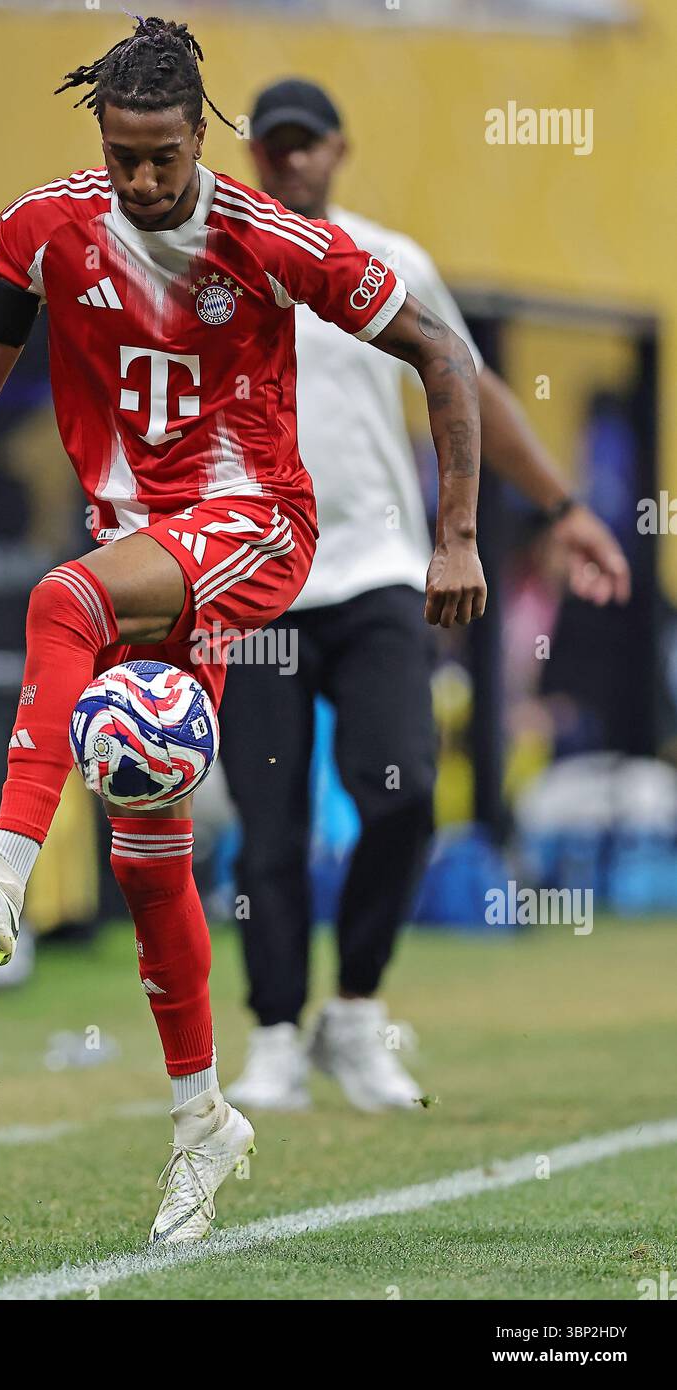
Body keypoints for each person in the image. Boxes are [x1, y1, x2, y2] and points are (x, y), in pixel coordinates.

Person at [0, 19, 486, 1243]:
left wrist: (458, 533)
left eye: (164, 156)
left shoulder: (269, 241)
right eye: (123, 157)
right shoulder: (41, 231)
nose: (145, 181)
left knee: (62, 598)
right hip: (141, 545)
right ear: (99, 139)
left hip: (255, 523)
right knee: (146, 844)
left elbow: (439, 353)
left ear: (201, 133)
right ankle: (201, 1120)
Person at [222, 79, 631, 1114]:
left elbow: (467, 380)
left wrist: (559, 507)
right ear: (253, 156)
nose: (291, 161)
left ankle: (351, 1013)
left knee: (401, 796)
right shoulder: (212, 261)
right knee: (265, 830)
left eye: (306, 144)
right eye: (273, 146)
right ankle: (273, 1034)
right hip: (252, 580)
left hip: (373, 573)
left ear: (338, 149)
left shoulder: (386, 260)